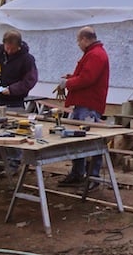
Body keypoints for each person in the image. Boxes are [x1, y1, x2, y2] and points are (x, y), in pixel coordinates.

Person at [0, 29, 38, 174]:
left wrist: (12, 89)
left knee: (13, 134)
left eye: (12, 48)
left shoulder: (27, 59)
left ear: (19, 45)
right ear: (4, 44)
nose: (9, 51)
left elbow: (30, 80)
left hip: (14, 102)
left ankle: (13, 165)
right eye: (7, 47)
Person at [57, 26, 110, 189]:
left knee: (90, 141)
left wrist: (69, 83)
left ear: (85, 39)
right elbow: (86, 76)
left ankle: (92, 176)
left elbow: (88, 79)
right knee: (78, 140)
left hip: (88, 104)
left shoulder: (95, 55)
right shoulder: (93, 54)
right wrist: (72, 78)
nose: (78, 44)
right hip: (84, 103)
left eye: (78, 41)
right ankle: (78, 172)